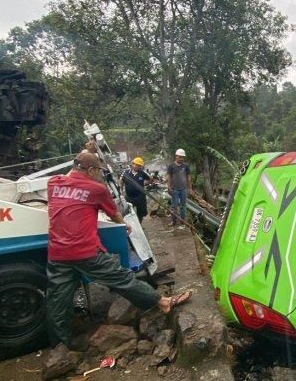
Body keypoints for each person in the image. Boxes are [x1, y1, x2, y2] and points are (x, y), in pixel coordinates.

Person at [45, 151, 191, 349]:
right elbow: (113, 214)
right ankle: (162, 302)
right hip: (85, 251)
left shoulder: (53, 183)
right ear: (91, 169)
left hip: (57, 252)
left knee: (57, 298)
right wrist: (125, 225)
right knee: (122, 278)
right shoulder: (96, 189)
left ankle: (60, 346)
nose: (98, 174)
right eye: (97, 170)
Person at [120, 157, 152, 223]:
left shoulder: (142, 173)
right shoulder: (126, 173)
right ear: (132, 164)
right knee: (127, 212)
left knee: (141, 212)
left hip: (140, 196)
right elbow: (121, 181)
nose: (138, 166)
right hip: (129, 197)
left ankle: (140, 224)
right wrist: (120, 190)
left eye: (139, 165)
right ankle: (130, 224)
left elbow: (150, 179)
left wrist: (145, 183)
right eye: (137, 165)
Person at [167, 148, 192, 226]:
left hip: (183, 189)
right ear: (176, 156)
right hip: (174, 189)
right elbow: (169, 177)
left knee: (183, 206)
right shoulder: (171, 166)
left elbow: (188, 177)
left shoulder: (186, 166)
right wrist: (169, 187)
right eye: (179, 157)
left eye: (182, 157)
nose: (181, 158)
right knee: (174, 206)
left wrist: (190, 188)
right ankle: (174, 221)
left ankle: (183, 221)